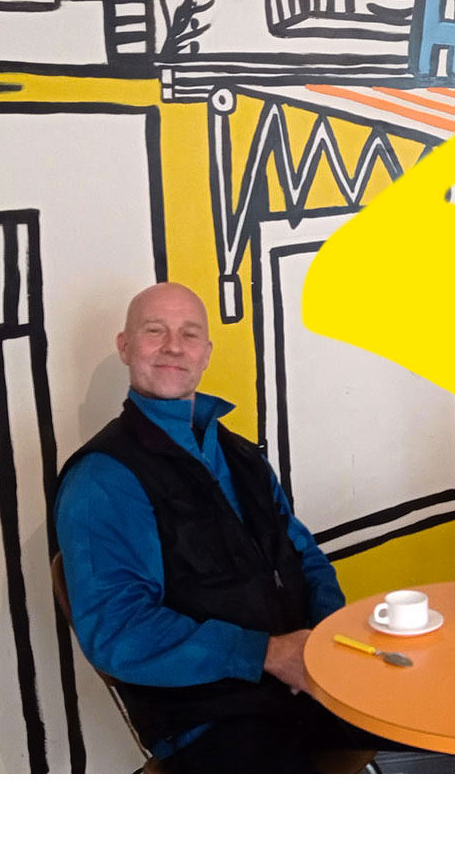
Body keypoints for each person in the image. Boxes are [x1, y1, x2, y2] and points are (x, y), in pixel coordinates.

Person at [55, 281, 384, 772]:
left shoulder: (240, 454)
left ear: (206, 353)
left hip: (304, 690)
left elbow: (304, 556)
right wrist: (267, 654)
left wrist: (324, 642)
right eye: (154, 330)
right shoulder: (103, 478)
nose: (173, 346)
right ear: (125, 346)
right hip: (214, 724)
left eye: (189, 334)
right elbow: (118, 629)